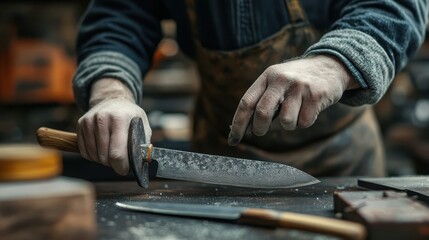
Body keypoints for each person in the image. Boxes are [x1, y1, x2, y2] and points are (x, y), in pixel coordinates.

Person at [73, 0, 429, 177]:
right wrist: (110, 94)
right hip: (214, 165)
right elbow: (119, 15)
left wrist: (332, 64)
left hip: (342, 163)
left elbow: (394, 5)